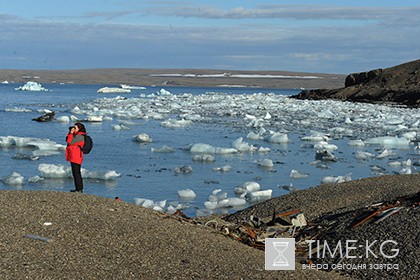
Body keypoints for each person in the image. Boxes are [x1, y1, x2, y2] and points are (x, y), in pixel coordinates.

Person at [66, 122, 86, 193]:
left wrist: (71, 133)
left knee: (76, 173)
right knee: (75, 173)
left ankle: (79, 189)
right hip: (74, 156)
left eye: (75, 128)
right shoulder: (77, 135)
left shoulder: (80, 136)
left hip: (76, 156)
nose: (74, 129)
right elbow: (67, 140)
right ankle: (78, 188)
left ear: (79, 128)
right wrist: (70, 133)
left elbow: (69, 141)